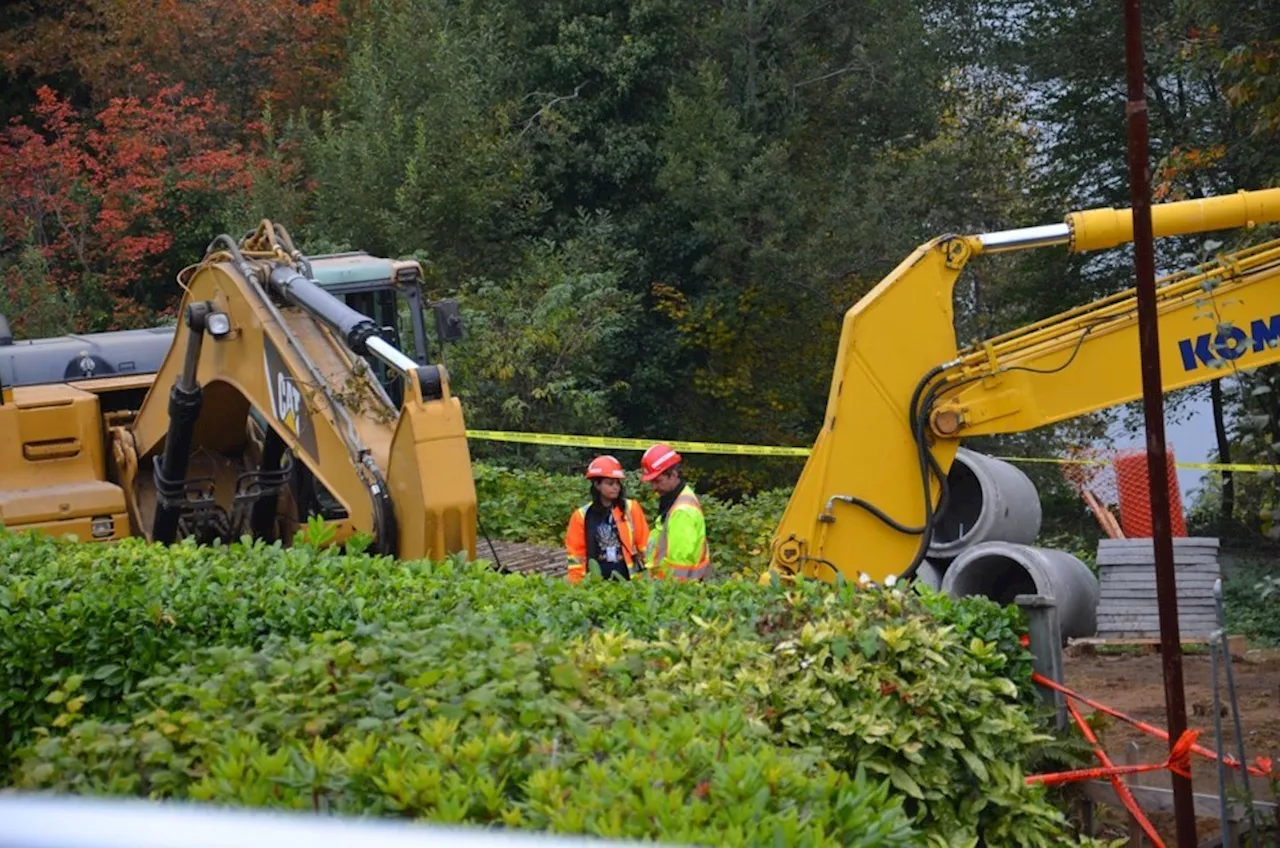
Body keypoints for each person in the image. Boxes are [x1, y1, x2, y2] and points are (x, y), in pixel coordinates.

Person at [564, 455, 650, 583]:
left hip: (630, 582)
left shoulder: (631, 509)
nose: (616, 487)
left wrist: (649, 578)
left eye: (617, 483)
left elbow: (645, 546)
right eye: (610, 483)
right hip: (597, 585)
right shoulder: (581, 516)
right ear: (597, 485)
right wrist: (577, 586)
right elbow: (576, 557)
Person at [639, 443, 710, 581]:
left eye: (658, 481)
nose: (654, 487)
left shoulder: (681, 512)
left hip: (676, 593)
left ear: (674, 474)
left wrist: (671, 595)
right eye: (651, 482)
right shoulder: (674, 500)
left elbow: (680, 565)